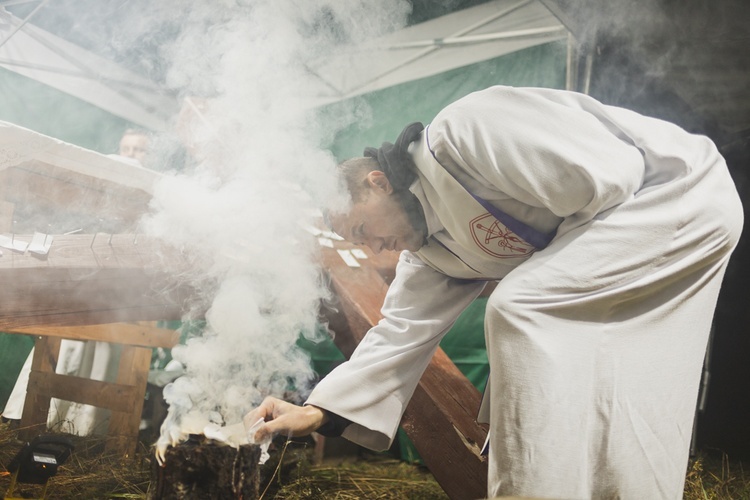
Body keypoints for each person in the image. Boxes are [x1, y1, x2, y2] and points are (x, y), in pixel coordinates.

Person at [243, 86, 743, 499]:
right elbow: (400, 334)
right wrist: (318, 411)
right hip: (645, 222)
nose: (373, 248)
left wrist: (536, 272)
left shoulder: (467, 134)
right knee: (616, 384)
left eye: (361, 229)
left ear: (378, 183)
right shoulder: (429, 252)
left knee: (520, 306)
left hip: (679, 195)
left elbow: (616, 177)